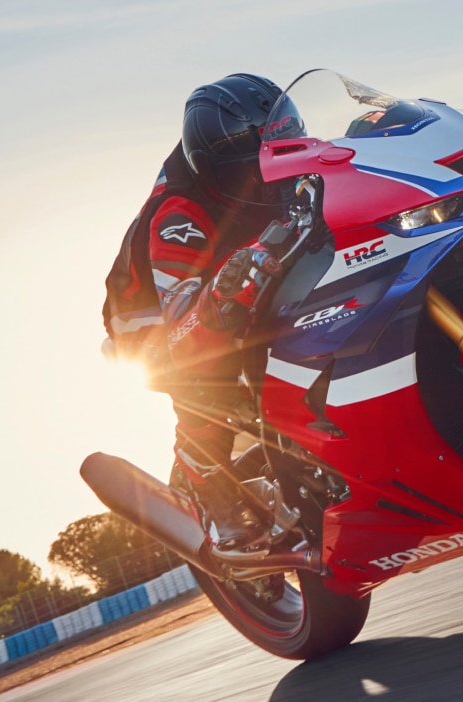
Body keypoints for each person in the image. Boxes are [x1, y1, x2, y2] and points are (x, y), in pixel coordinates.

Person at [101, 73, 288, 548]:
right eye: (250, 170)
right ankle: (216, 496)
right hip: (151, 317)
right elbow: (184, 321)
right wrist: (220, 300)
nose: (266, 177)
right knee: (203, 368)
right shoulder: (179, 216)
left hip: (236, 267)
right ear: (215, 168)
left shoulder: (274, 150)